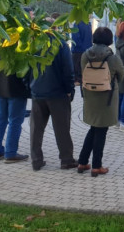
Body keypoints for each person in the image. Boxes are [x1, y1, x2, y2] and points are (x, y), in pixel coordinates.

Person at [78, 27, 124, 176]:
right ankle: (96, 166)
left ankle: (82, 162)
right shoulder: (112, 57)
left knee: (94, 128)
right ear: (109, 40)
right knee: (101, 130)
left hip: (90, 95)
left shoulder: (85, 55)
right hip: (107, 97)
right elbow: (121, 74)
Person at [29, 37, 77, 171]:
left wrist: (30, 86)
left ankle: (36, 160)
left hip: (37, 91)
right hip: (57, 93)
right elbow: (68, 69)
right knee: (62, 128)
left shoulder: (33, 43)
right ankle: (66, 159)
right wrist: (69, 89)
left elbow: (27, 67)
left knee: (36, 129)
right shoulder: (61, 45)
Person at [0, 53, 32, 163]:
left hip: (0, 85)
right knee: (15, 121)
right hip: (16, 87)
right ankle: (10, 153)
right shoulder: (19, 40)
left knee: (1, 119)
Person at [71, 18, 92, 86]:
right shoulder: (88, 23)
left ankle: (77, 79)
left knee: (76, 65)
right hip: (87, 48)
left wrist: (78, 46)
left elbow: (75, 37)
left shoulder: (77, 24)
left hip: (78, 50)